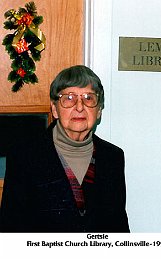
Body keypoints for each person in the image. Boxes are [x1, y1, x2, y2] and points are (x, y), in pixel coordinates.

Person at [0, 65, 130, 232]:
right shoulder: (24, 157)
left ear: (98, 111)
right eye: (69, 98)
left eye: (88, 98)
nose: (79, 106)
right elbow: (11, 230)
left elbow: (118, 226)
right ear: (54, 109)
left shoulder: (113, 157)